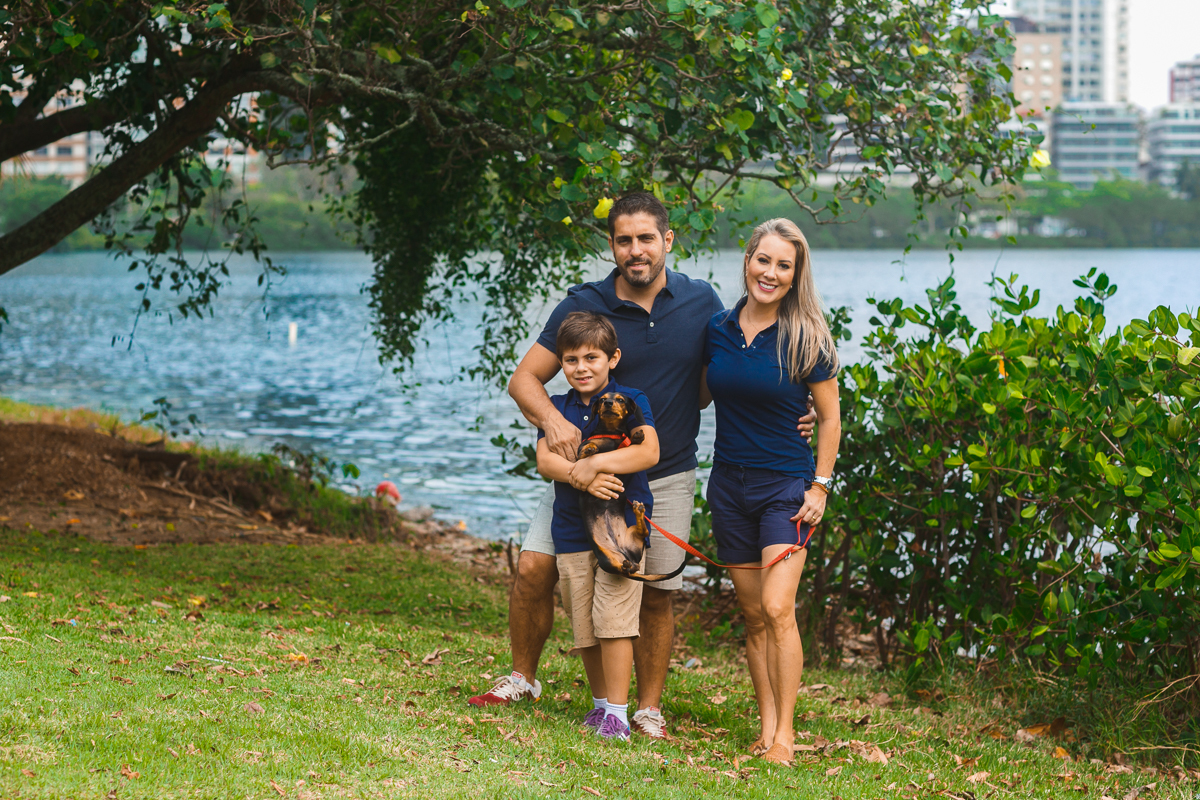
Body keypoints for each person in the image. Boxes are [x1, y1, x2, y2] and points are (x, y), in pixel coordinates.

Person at [469, 193, 815, 740]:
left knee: (656, 592)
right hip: (585, 474)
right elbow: (524, 380)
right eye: (624, 239)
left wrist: (801, 407)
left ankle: (646, 709)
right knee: (537, 568)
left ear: (667, 240)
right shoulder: (582, 304)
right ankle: (523, 677)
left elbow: (729, 371)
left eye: (646, 238)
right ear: (611, 245)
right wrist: (556, 427)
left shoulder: (700, 302)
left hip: (668, 471)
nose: (636, 250)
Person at [700, 218, 841, 766]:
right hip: (727, 486)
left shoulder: (808, 336)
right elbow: (700, 395)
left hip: (786, 487)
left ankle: (785, 735)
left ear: (795, 274)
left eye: (784, 265)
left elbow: (828, 420)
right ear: (748, 259)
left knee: (780, 607)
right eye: (765, 260)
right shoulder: (717, 327)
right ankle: (764, 727)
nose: (771, 272)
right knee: (754, 612)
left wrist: (821, 486)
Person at [534, 311, 659, 741]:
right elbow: (545, 460)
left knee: (615, 619)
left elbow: (648, 453)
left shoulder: (629, 400)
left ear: (613, 358)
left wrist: (593, 463)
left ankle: (619, 715)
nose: (582, 368)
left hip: (622, 528)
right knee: (584, 623)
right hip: (570, 527)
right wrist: (576, 474)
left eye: (592, 358)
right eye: (571, 360)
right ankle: (601, 705)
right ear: (561, 363)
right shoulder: (556, 408)